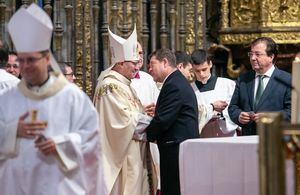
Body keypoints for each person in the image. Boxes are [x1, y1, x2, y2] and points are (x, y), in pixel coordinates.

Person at [0, 3, 105, 195]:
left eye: (31, 60)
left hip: (60, 186)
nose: (25, 66)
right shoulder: (7, 99)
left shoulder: (73, 98)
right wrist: (12, 130)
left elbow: (93, 142)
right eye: (21, 60)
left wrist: (62, 144)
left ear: (47, 59)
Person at [93, 26, 157, 195]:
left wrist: (144, 112)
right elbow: (124, 122)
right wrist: (160, 124)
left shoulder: (124, 84)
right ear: (120, 62)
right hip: (122, 157)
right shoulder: (110, 85)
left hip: (135, 152)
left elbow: (131, 113)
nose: (137, 67)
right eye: (134, 63)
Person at [146, 48, 199, 195]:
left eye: (152, 64)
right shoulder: (175, 81)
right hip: (176, 147)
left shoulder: (173, 84)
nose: (149, 69)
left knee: (174, 189)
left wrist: (146, 134)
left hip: (176, 149)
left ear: (164, 62)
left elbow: (163, 120)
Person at [228, 37, 291, 135]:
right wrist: (239, 116)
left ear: (271, 57)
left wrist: (271, 118)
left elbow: (292, 112)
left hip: (275, 139)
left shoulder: (287, 80)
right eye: (251, 54)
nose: (252, 58)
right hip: (248, 139)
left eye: (258, 54)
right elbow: (233, 107)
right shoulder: (244, 79)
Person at [190, 49, 238, 137]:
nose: (201, 74)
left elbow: (236, 109)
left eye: (204, 69)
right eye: (197, 71)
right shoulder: (190, 89)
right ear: (192, 68)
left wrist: (222, 115)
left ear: (210, 64)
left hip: (227, 136)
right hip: (204, 137)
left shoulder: (227, 84)